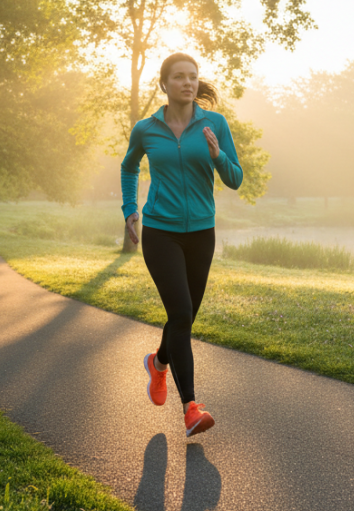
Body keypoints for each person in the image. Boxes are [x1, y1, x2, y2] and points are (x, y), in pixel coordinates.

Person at [120, 52, 244, 437]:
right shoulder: (146, 129)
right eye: (179, 77)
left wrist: (217, 155)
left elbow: (236, 178)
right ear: (164, 84)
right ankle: (191, 407)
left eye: (193, 77)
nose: (188, 83)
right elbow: (129, 166)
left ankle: (158, 363)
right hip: (160, 232)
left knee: (183, 317)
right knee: (181, 311)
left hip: (201, 233)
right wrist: (130, 209)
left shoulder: (215, 124)